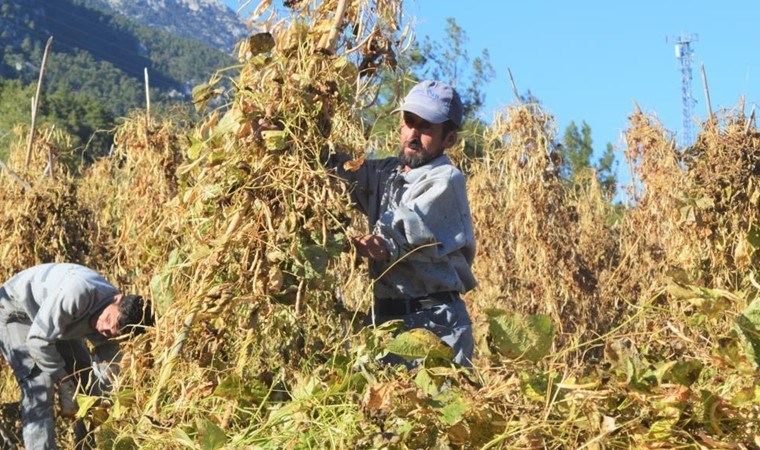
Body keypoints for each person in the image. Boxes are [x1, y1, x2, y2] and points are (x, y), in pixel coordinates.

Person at [327, 80, 477, 367]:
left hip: (435, 326)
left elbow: (402, 229)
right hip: (387, 321)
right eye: (409, 122)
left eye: (426, 128)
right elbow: (335, 173)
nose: (413, 134)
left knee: (433, 409)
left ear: (449, 139)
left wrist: (376, 243)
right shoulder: (383, 174)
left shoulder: (445, 180)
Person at [0, 263, 154, 450]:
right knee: (40, 385)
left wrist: (107, 400)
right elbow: (38, 341)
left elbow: (107, 369)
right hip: (16, 310)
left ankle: (85, 445)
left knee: (84, 374)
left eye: (110, 333)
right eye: (107, 321)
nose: (103, 329)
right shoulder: (77, 293)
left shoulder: (116, 325)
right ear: (116, 298)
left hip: (55, 321)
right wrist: (64, 382)